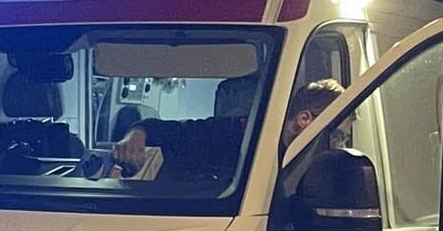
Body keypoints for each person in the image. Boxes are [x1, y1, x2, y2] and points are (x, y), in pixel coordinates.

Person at [111, 78, 344, 180]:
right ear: (304, 119)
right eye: (338, 135)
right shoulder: (234, 133)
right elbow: (170, 131)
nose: (341, 146)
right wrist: (136, 135)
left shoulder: (313, 164)